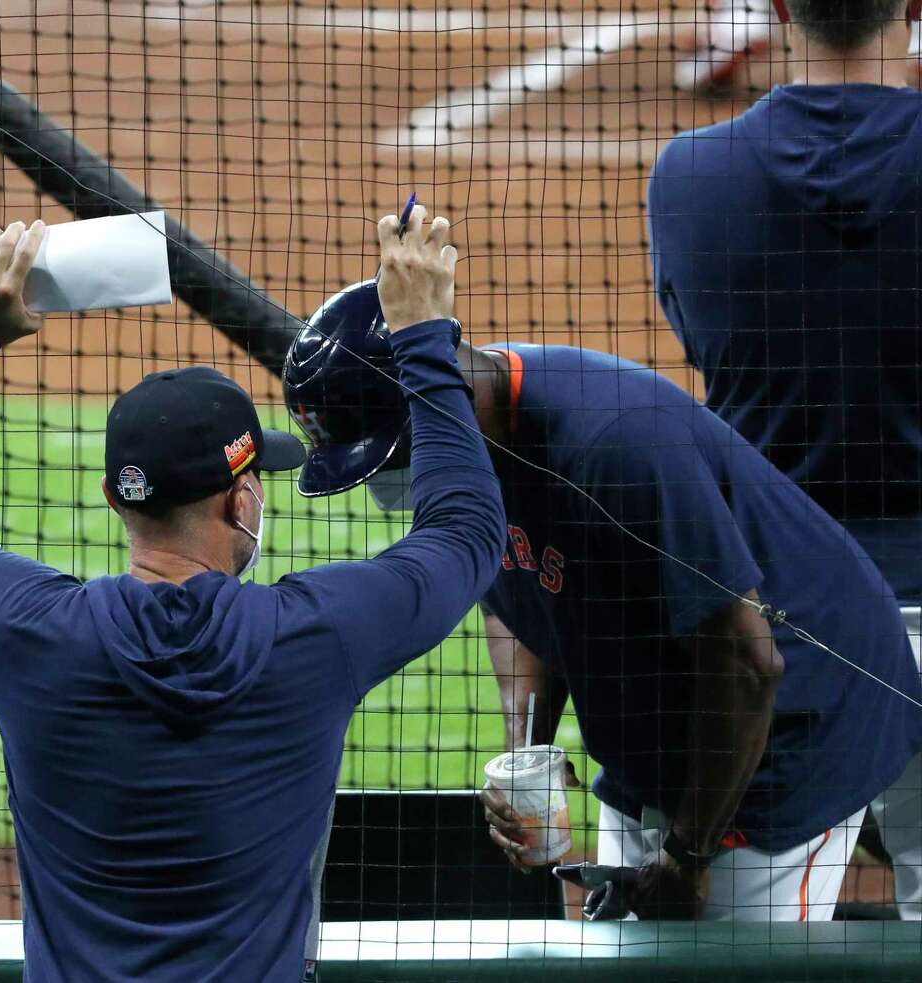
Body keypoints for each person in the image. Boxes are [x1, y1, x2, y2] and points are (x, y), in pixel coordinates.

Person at [0, 210, 505, 981]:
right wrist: (420, 338)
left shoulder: (26, 634)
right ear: (240, 502)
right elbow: (467, 533)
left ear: (116, 499)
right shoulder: (315, 640)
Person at [284, 307, 922, 920]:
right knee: (632, 957)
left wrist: (687, 854)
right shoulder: (471, 448)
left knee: (730, 965)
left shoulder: (614, 442)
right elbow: (514, 590)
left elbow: (749, 663)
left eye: (389, 457)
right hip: (670, 705)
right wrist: (525, 753)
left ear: (433, 396)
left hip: (797, 716)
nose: (383, 484)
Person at [648, 0, 922, 917]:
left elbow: (705, 345)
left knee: (728, 964)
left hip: (779, 631)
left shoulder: (688, 175)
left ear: (773, 10)